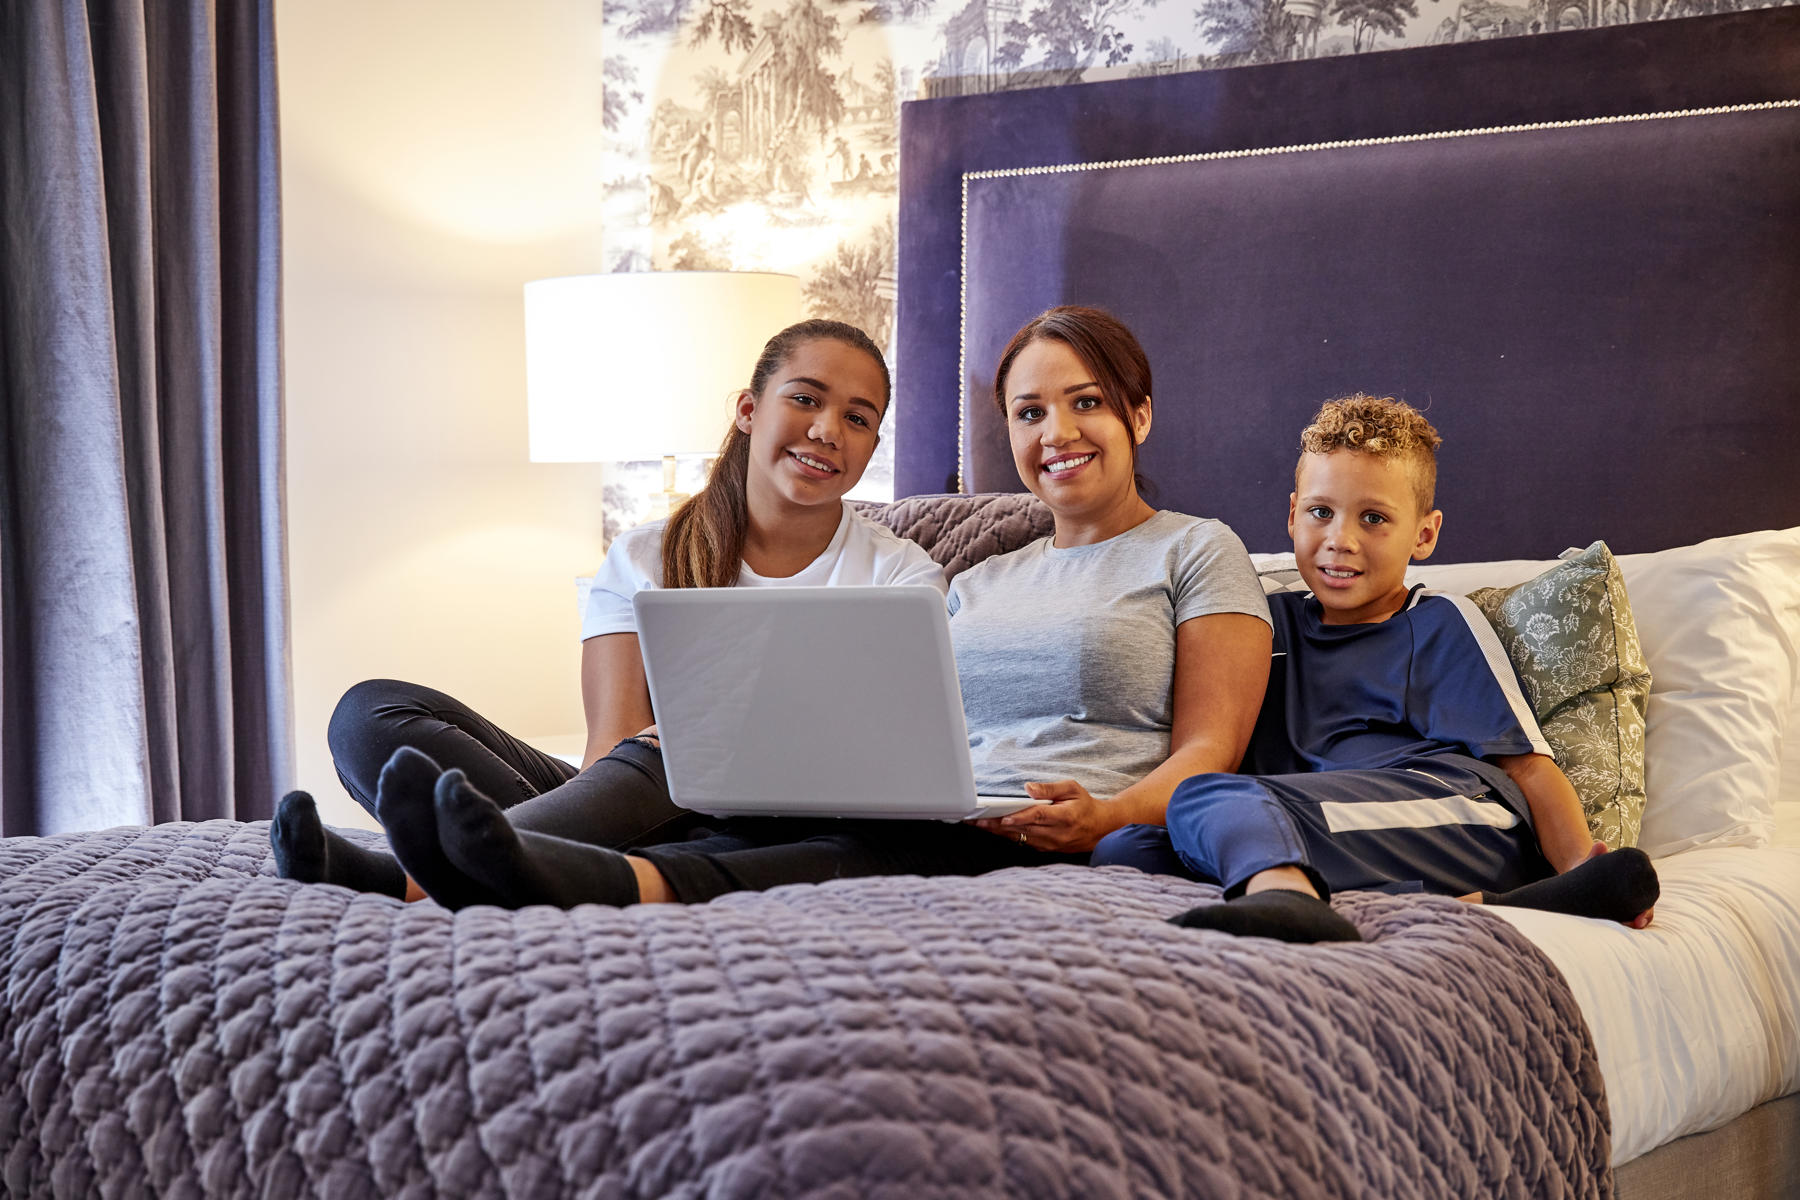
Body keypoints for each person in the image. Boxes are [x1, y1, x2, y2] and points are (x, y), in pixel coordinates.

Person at [364, 304, 1275, 909]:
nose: (1057, 434)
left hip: (1046, 830)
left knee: (840, 853)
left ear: (1140, 415)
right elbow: (902, 716)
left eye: (1087, 404)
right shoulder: (983, 575)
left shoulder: (1197, 549)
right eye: (1029, 413)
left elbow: (1209, 755)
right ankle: (445, 868)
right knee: (678, 760)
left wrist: (1108, 815)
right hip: (928, 805)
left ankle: (494, 873)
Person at [270, 319, 945, 902]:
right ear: (747, 408)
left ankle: (407, 876)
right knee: (370, 713)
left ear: (870, 448)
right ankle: (544, 862)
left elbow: (889, 763)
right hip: (643, 796)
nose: (828, 430)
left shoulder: (903, 577)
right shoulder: (646, 555)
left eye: (858, 418)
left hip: (787, 827)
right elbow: (610, 751)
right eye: (806, 398)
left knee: (679, 746)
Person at [1092, 394, 1659, 944]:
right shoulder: (1261, 623)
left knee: (1208, 798)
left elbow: (1529, 768)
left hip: (1461, 819)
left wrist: (1584, 874)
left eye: (1373, 519)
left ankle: (1287, 900)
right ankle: (1383, 899)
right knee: (1126, 848)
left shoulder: (1434, 623)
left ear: (1424, 533)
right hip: (1309, 820)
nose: (1341, 540)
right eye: (1321, 512)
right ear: (1292, 516)